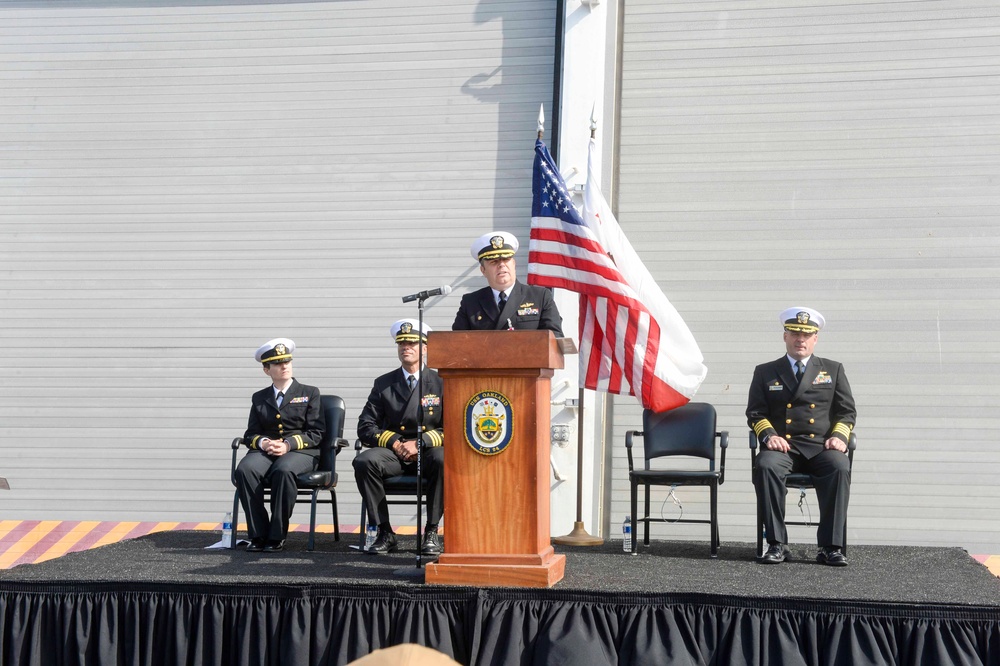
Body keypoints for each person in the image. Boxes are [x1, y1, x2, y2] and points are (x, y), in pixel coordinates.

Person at [747, 307, 856, 566]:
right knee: (765, 465)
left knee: (839, 466)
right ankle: (776, 543)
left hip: (820, 446)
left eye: (807, 335)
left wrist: (840, 436)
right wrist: (769, 435)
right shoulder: (765, 371)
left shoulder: (833, 369)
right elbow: (754, 412)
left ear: (815, 339)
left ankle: (831, 547)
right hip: (784, 448)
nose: (800, 340)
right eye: (795, 333)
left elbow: (847, 412)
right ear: (785, 336)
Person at [354, 319, 445, 556]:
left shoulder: (441, 382)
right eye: (402, 343)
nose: (406, 347)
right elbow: (365, 426)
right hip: (394, 454)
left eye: (412, 342)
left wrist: (420, 442)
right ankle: (385, 532)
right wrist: (395, 442)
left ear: (424, 348)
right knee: (364, 461)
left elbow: (453, 427)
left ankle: (432, 531)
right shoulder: (384, 383)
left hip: (426, 453)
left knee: (443, 458)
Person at [235, 338, 325, 553]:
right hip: (266, 450)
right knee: (245, 470)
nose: (284, 366)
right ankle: (258, 535)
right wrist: (264, 442)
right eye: (277, 363)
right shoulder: (259, 397)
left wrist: (287, 445)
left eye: (287, 361)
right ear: (267, 370)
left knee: (283, 471)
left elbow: (317, 433)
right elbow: (251, 434)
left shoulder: (309, 392)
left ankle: (276, 536)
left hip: (301, 451)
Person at [452, 231, 563, 336]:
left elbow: (554, 338)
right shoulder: (471, 302)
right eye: (494, 261)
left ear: (513, 264)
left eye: (506, 259)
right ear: (483, 270)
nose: (501, 265)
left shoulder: (540, 297)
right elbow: (457, 343)